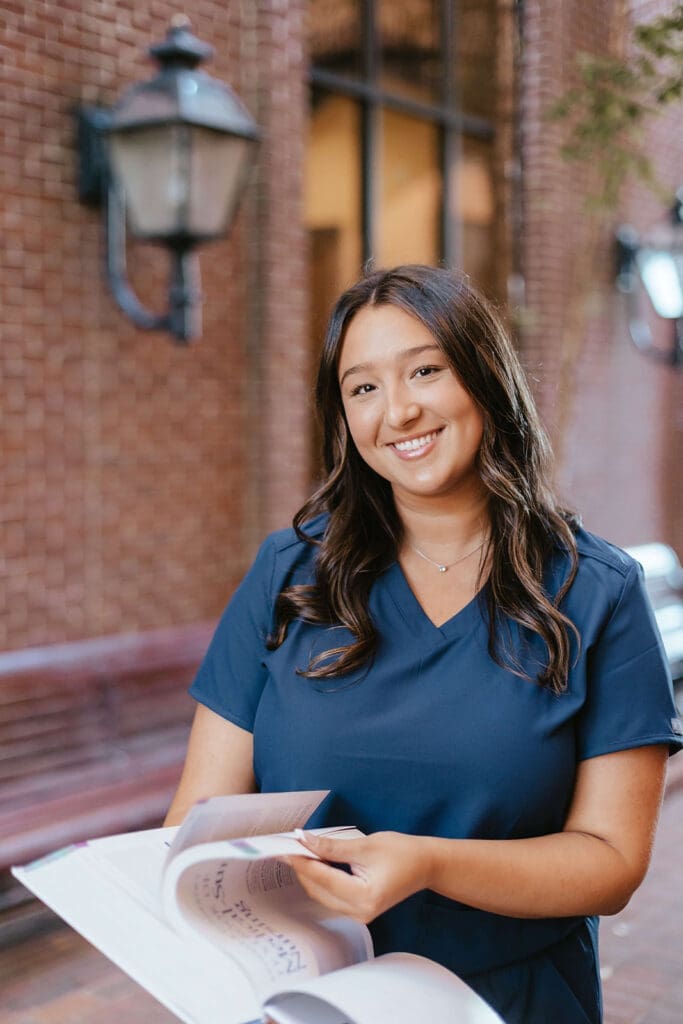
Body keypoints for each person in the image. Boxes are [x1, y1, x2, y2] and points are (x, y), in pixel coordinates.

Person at [165, 265, 682, 1024]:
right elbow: (197, 822)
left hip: (507, 1002)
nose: (398, 411)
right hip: (304, 1000)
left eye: (425, 371)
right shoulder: (289, 574)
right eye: (363, 388)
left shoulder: (596, 593)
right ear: (343, 416)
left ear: (484, 377)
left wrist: (429, 864)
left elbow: (610, 863)